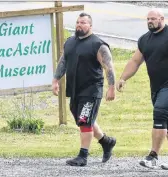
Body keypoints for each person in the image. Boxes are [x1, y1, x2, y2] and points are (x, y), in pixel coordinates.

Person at [116, 8, 168, 170]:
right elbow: (135, 61)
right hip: (156, 86)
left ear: (162, 19)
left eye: (153, 19)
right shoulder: (145, 39)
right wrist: (123, 77)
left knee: (159, 114)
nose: (150, 21)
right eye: (148, 19)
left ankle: (153, 156)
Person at [52, 12, 117, 166]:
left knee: (84, 120)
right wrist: (56, 79)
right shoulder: (70, 42)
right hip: (75, 89)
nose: (79, 25)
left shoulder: (98, 45)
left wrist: (111, 87)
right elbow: (63, 62)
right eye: (78, 22)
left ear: (90, 26)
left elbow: (109, 68)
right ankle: (106, 141)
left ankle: (83, 156)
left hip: (92, 89)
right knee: (83, 120)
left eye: (83, 22)